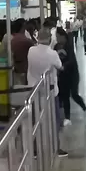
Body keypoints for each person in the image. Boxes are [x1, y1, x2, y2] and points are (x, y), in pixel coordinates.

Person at [27, 27, 68, 157]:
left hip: (33, 91)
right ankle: (55, 148)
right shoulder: (52, 54)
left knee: (35, 121)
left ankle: (34, 150)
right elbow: (60, 67)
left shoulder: (31, 51)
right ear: (50, 39)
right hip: (49, 92)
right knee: (53, 121)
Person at [54, 29, 86, 122]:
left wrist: (64, 66)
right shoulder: (56, 47)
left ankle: (84, 107)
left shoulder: (69, 46)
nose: (57, 39)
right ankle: (67, 117)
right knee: (65, 97)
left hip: (72, 75)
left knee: (74, 94)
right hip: (62, 76)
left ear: (63, 36)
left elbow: (71, 60)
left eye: (58, 37)